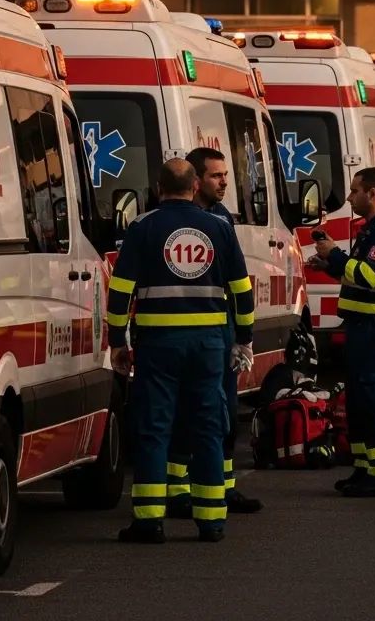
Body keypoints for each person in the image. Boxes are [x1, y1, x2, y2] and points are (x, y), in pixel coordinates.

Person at [108, 158, 256, 545]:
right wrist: (244, 338)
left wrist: (116, 342)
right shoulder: (219, 227)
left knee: (154, 428)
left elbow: (121, 290)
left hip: (158, 345)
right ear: (194, 187)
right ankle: (211, 522)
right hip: (209, 344)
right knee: (208, 426)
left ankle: (150, 521)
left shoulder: (142, 226)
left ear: (158, 188)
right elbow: (241, 289)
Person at [166, 148, 262, 518]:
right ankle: (177, 491)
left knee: (223, 410)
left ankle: (223, 487)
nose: (223, 182)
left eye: (225, 175)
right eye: (215, 176)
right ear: (195, 180)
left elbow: (236, 282)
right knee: (181, 411)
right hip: (187, 327)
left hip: (218, 325)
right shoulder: (178, 218)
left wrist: (241, 336)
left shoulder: (222, 216)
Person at [309, 167, 375, 498]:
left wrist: (335, 255)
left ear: (373, 194)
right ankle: (365, 468)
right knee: (359, 402)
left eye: (354, 191)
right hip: (363, 327)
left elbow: (368, 276)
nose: (349, 197)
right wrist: (330, 266)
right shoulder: (370, 231)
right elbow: (357, 275)